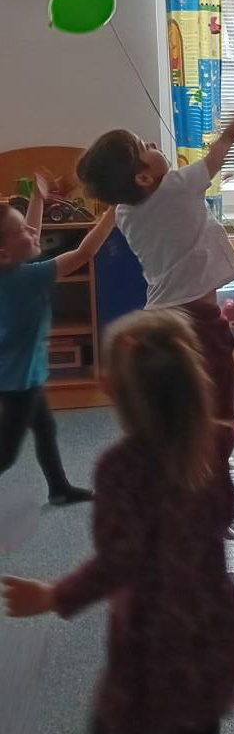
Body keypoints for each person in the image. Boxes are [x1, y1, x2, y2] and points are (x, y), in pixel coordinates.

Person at [1, 310, 234, 734]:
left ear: (118, 391)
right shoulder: (209, 449)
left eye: (105, 369)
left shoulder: (121, 467)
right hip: (209, 635)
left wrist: (52, 596)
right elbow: (220, 515)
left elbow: (120, 562)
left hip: (154, 648)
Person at [76, 100, 234, 459]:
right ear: (142, 178)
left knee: (177, 401)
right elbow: (225, 141)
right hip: (197, 322)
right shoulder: (177, 186)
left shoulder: (123, 213)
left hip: (159, 321)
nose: (154, 144)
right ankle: (211, 468)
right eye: (145, 147)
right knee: (220, 403)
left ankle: (174, 458)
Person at [0, 175, 115, 505]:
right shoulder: (27, 277)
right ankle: (59, 488)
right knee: (6, 452)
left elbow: (32, 237)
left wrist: (38, 198)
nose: (31, 232)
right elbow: (84, 252)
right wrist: (115, 209)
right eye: (21, 231)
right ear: (4, 253)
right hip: (18, 381)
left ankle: (59, 489)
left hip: (22, 374)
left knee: (45, 428)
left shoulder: (13, 270)